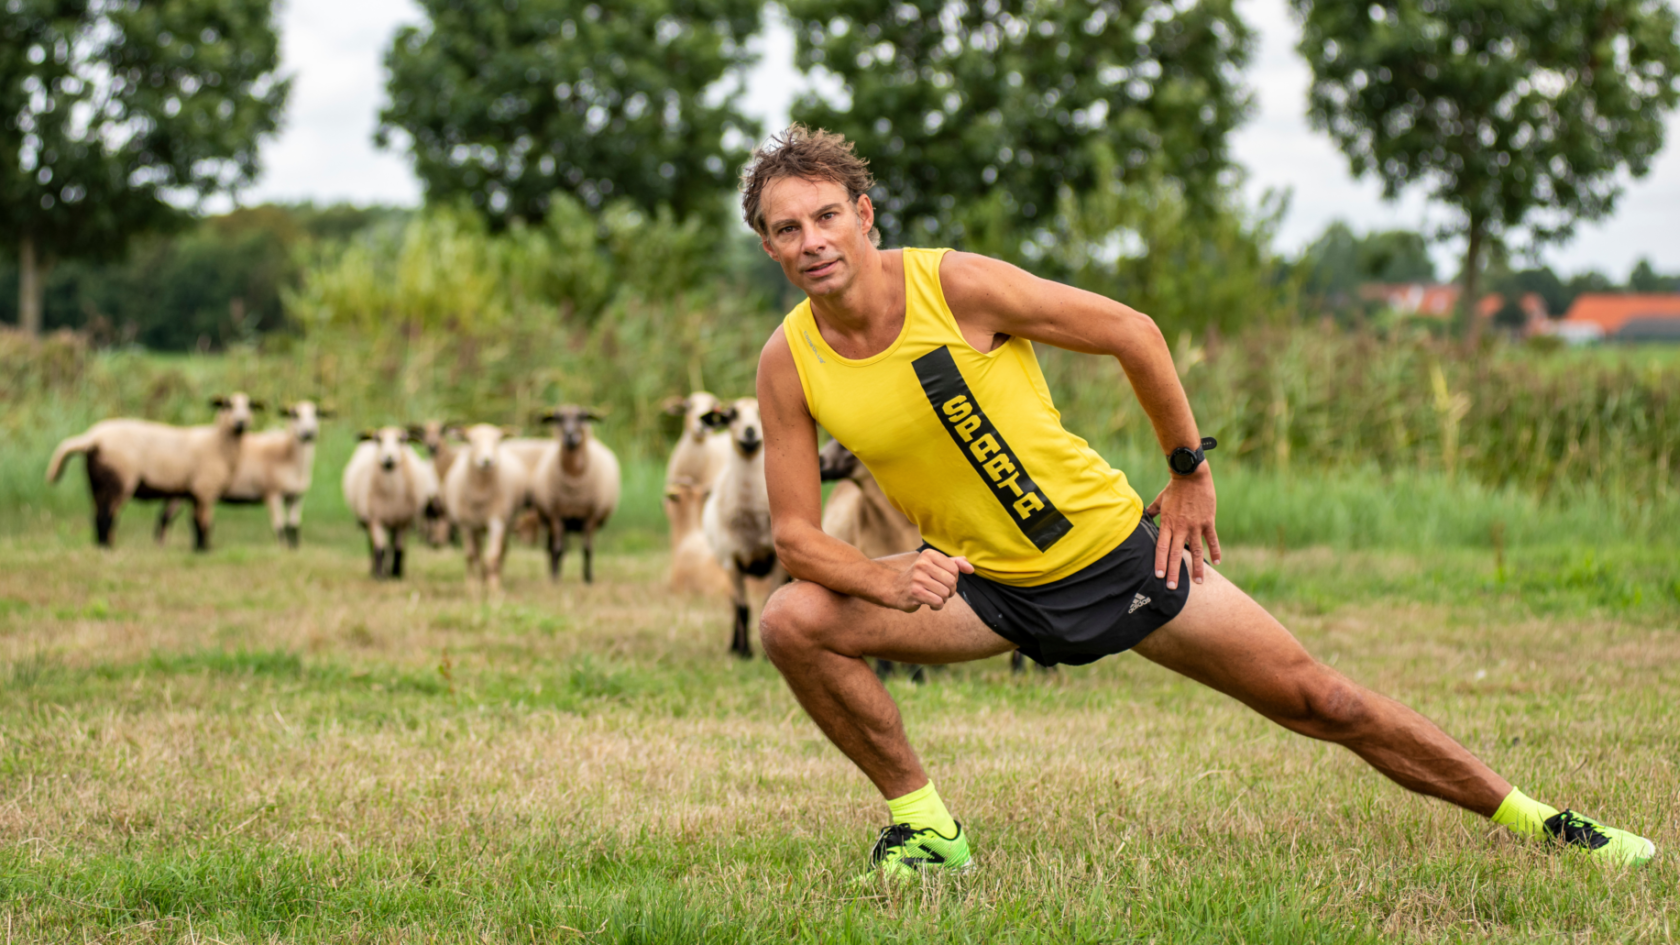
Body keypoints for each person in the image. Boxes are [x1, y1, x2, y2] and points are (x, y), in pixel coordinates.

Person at [742, 125, 1655, 881]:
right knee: (793, 619)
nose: (812, 240)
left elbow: (1132, 332)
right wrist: (880, 575)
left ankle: (1542, 821)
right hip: (991, 594)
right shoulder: (788, 360)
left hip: (1127, 559)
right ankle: (927, 827)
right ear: (771, 247)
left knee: (1324, 700)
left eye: (827, 215)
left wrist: (1187, 469)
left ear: (863, 215)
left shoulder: (955, 285)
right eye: (787, 229)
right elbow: (793, 534)